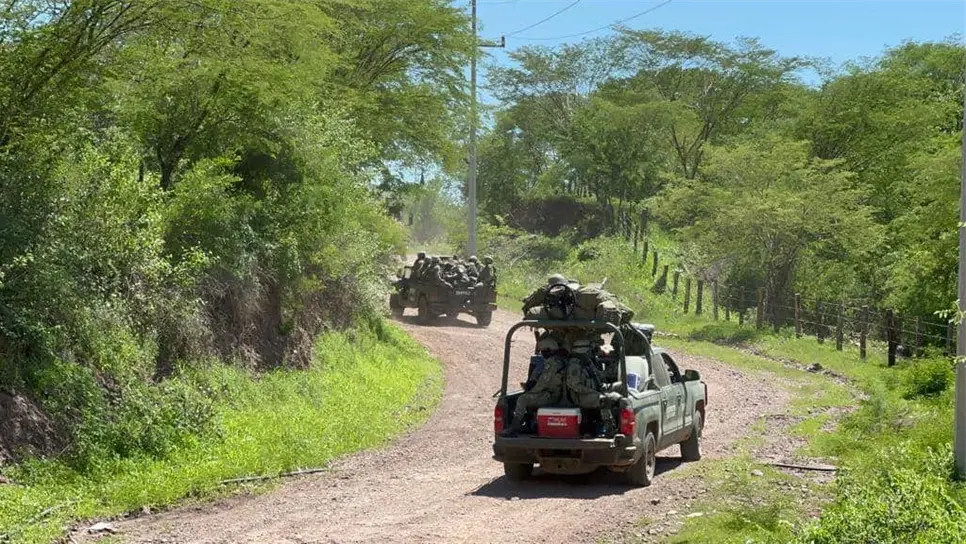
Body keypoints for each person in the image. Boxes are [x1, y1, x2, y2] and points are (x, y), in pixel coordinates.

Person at [501, 338, 567, 436]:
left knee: (523, 399)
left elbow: (542, 383)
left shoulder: (552, 363)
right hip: (555, 394)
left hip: (552, 396)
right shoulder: (559, 360)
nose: (542, 353)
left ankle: (514, 427)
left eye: (543, 351)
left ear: (549, 350)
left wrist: (530, 391)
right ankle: (528, 425)